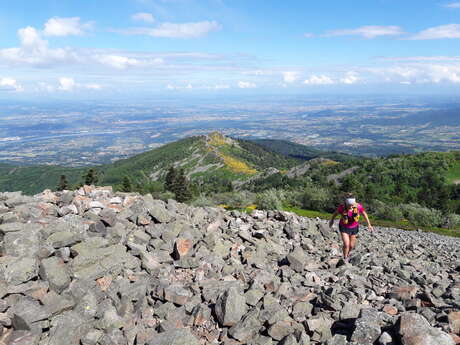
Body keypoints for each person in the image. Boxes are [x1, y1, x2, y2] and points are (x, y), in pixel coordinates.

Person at [329, 193, 374, 261]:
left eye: (352, 205)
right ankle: (345, 258)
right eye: (349, 205)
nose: (351, 206)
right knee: (346, 244)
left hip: (354, 227)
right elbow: (335, 213)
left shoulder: (358, 206)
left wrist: (369, 224)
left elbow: (364, 213)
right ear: (346, 204)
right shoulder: (342, 207)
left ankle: (348, 254)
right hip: (344, 227)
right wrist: (332, 220)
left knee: (351, 246)